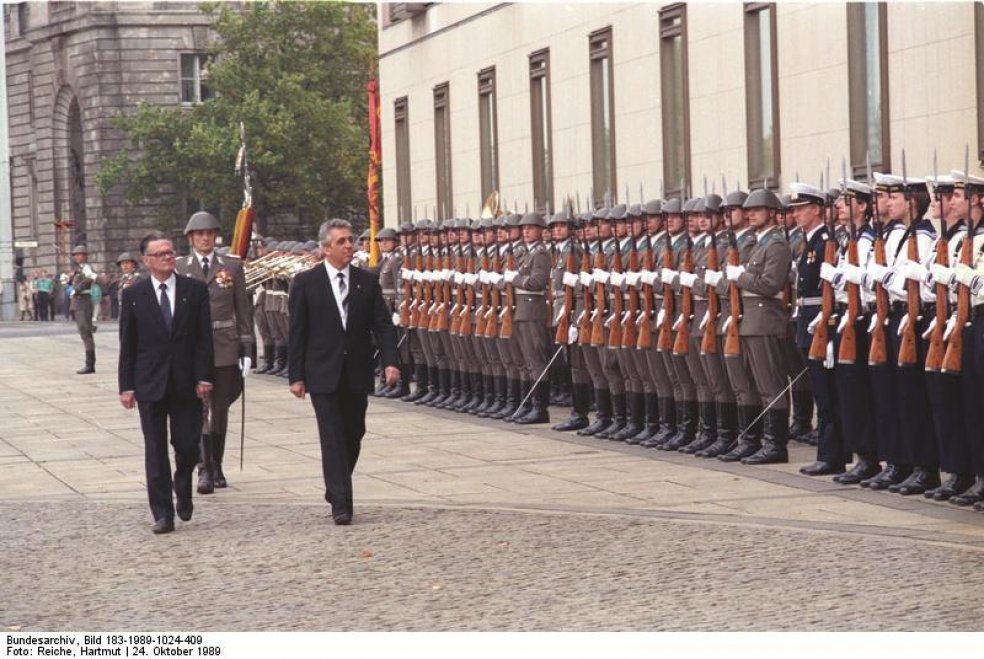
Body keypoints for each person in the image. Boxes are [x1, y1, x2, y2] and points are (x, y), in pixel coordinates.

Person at [288, 218, 399, 525]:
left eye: (351, 240)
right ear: (325, 249)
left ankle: (336, 484)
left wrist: (390, 361)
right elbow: (297, 332)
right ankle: (342, 503)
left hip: (357, 371)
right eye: (342, 242)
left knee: (354, 432)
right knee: (332, 435)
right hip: (321, 373)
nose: (350, 245)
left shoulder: (367, 280)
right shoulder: (306, 283)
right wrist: (295, 375)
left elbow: (383, 325)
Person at [118, 231, 214, 534]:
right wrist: (126, 385)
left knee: (186, 445)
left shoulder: (194, 290)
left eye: (170, 252)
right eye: (160, 254)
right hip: (149, 382)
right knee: (155, 448)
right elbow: (128, 343)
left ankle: (182, 484)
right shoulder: (134, 295)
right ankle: (162, 513)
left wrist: (204, 376)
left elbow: (204, 340)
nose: (168, 257)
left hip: (186, 382)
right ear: (146, 260)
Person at [175, 211, 253, 494]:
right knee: (200, 408)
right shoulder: (179, 267)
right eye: (199, 234)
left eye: (209, 233)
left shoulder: (231, 266)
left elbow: (242, 308)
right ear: (190, 238)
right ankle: (203, 468)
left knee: (219, 408)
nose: (205, 238)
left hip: (224, 344)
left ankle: (217, 464)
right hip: (193, 349)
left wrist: (247, 347)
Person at [70, 245, 98, 374]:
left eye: (80, 254)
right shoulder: (78, 269)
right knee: (83, 332)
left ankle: (90, 364)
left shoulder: (87, 268)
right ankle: (89, 363)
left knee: (85, 332)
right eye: (75, 255)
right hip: (78, 302)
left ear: (85, 256)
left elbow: (91, 277)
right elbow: (72, 283)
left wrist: (78, 288)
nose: (77, 257)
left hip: (83, 301)